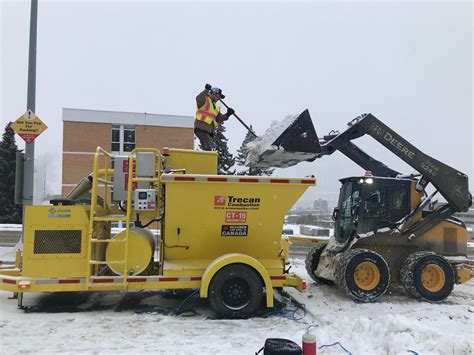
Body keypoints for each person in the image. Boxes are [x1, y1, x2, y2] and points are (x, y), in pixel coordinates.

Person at [194, 84, 234, 151]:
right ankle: (207, 160)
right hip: (201, 129)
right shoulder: (205, 99)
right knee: (208, 149)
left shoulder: (215, 107)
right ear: (214, 93)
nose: (219, 98)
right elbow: (198, 98)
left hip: (209, 131)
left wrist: (228, 114)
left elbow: (218, 118)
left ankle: (208, 160)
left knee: (210, 149)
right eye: (219, 96)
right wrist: (206, 90)